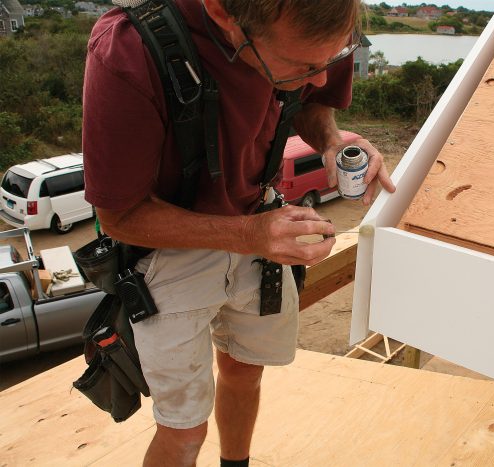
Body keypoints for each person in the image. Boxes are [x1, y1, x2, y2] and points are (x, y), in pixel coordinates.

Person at [81, 0, 396, 465]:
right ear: (224, 14)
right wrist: (251, 235)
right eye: (302, 65)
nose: (320, 77)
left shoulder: (321, 24)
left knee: (244, 375)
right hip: (168, 245)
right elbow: (120, 217)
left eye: (330, 58)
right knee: (185, 432)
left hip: (259, 226)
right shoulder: (130, 51)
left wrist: (332, 140)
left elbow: (309, 101)